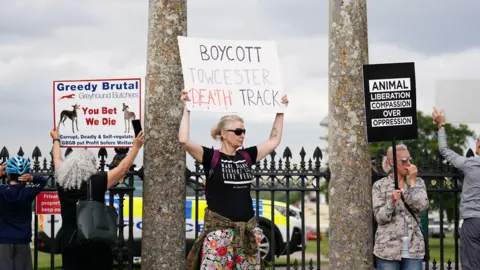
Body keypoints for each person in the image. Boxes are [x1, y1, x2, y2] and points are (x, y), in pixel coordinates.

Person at [181, 89, 288, 269]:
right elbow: (184, 140)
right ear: (223, 133)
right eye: (238, 131)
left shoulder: (246, 156)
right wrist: (187, 107)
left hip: (248, 231)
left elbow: (273, 141)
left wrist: (280, 110)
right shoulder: (211, 157)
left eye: (244, 131)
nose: (242, 135)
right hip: (219, 234)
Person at [50, 128, 145, 270]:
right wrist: (136, 147)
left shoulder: (62, 181)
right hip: (95, 240)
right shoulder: (98, 180)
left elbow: (56, 159)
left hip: (70, 240)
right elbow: (123, 168)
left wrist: (56, 140)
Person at [432, 107, 480, 270]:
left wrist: (441, 125)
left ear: (478, 145)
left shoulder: (470, 164)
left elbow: (444, 151)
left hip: (473, 219)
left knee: (470, 263)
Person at [372, 144, 428, 270]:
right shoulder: (380, 185)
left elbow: (422, 206)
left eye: (410, 160)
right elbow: (380, 218)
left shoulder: (418, 182)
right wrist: (390, 203)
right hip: (387, 250)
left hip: (414, 249)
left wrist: (412, 183)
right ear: (392, 162)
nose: (408, 164)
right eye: (404, 161)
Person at [0, 156, 47, 270]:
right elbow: (43, 180)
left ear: (8, 174)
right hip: (23, 239)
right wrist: (32, 179)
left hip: (3, 239)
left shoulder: (1, 191)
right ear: (25, 174)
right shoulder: (28, 191)